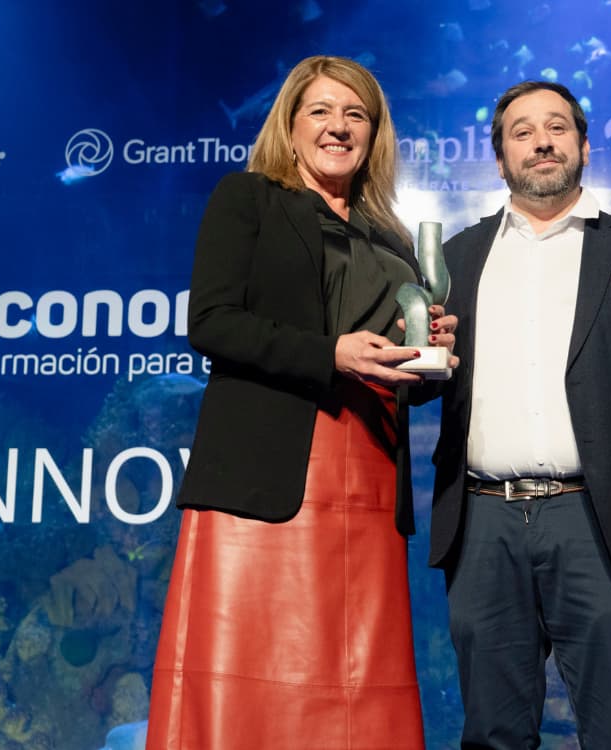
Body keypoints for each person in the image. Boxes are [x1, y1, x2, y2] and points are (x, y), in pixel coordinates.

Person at [146, 55, 457, 749]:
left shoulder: (392, 236)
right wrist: (331, 354)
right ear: (290, 127)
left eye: (356, 115)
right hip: (268, 471)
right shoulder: (247, 198)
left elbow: (401, 374)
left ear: (374, 135)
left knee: (358, 685)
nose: (338, 127)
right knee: (248, 678)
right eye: (320, 111)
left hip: (371, 473)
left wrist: (428, 356)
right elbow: (212, 324)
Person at [426, 81, 611, 749]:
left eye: (557, 127)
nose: (542, 142)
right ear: (500, 158)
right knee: (492, 734)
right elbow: (426, 384)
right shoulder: (455, 257)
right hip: (482, 523)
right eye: (522, 131)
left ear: (584, 147)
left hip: (599, 515)